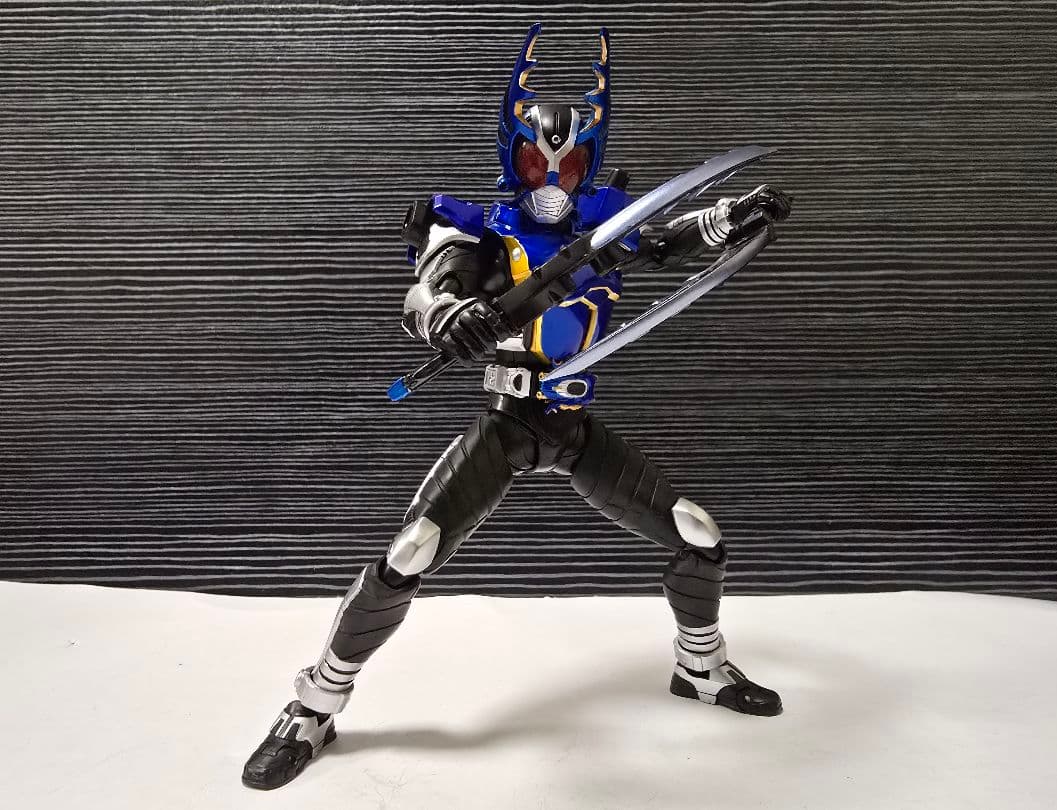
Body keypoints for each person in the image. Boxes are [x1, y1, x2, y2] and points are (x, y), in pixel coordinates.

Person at [242, 23, 793, 790]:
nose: (553, 176)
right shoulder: (479, 229)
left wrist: (735, 216)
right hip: (508, 424)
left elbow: (670, 237)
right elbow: (425, 292)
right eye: (538, 162)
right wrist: (451, 315)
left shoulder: (607, 225)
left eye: (569, 163)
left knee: (699, 535)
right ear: (513, 156)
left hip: (572, 426)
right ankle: (313, 707)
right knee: (411, 551)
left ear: (590, 162)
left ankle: (699, 666)